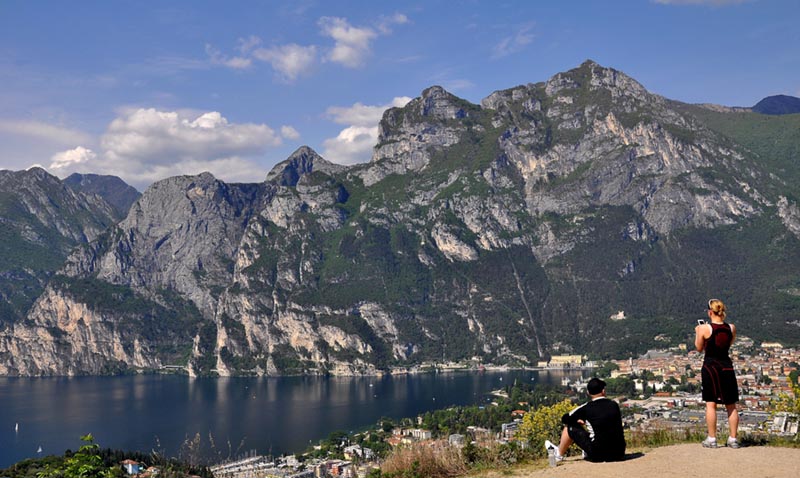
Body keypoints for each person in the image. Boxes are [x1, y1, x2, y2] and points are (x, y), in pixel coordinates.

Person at [544, 377, 626, 463]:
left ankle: (559, 454)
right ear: (603, 391)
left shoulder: (586, 408)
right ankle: (586, 452)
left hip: (598, 455)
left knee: (570, 427)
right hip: (619, 453)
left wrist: (577, 421)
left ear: (588, 393)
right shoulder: (614, 405)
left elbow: (565, 418)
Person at [695, 298, 740, 449]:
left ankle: (712, 438)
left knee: (711, 403)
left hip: (710, 367)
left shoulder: (703, 329)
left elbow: (699, 348)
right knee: (731, 404)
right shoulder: (731, 328)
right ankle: (733, 438)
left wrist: (698, 332)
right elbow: (728, 344)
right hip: (727, 366)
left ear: (709, 312)